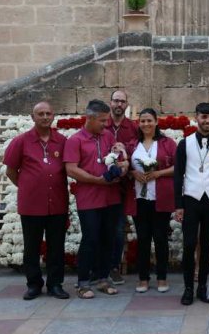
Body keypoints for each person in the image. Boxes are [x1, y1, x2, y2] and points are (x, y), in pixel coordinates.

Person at [3, 101, 70, 300]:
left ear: (53, 116)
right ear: (33, 117)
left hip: (57, 203)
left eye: (48, 113)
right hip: (32, 205)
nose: (44, 117)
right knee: (31, 247)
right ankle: (33, 284)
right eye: (40, 113)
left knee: (56, 247)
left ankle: (55, 284)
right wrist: (27, 187)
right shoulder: (21, 141)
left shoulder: (62, 141)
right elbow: (11, 171)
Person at [64, 99, 128, 299]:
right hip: (89, 198)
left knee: (109, 239)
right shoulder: (75, 140)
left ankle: (103, 278)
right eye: (101, 121)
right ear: (89, 118)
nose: (105, 124)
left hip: (111, 197)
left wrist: (121, 167)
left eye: (106, 120)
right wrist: (97, 180)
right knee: (91, 239)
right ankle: (83, 282)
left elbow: (118, 160)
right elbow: (71, 169)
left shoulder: (107, 136)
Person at [174, 102, 209, 305]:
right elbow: (178, 175)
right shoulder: (184, 143)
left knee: (206, 245)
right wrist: (178, 204)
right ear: (196, 118)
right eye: (204, 117)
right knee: (188, 244)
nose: (208, 121)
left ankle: (202, 286)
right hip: (190, 199)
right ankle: (188, 288)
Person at [129, 108, 176, 293]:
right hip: (139, 199)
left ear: (156, 122)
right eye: (142, 121)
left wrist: (158, 173)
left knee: (160, 238)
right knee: (143, 239)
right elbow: (124, 165)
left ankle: (162, 277)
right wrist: (133, 172)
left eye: (149, 120)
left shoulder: (167, 143)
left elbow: (178, 166)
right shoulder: (133, 144)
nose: (146, 124)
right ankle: (143, 278)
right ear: (138, 123)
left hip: (160, 198)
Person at [106, 89, 138, 286]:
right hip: (104, 184)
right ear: (110, 103)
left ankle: (114, 267)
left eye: (122, 102)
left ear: (126, 105)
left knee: (119, 228)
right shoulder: (102, 124)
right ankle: (101, 267)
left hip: (127, 186)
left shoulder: (133, 127)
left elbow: (139, 148)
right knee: (103, 227)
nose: (119, 105)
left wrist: (126, 155)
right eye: (116, 101)